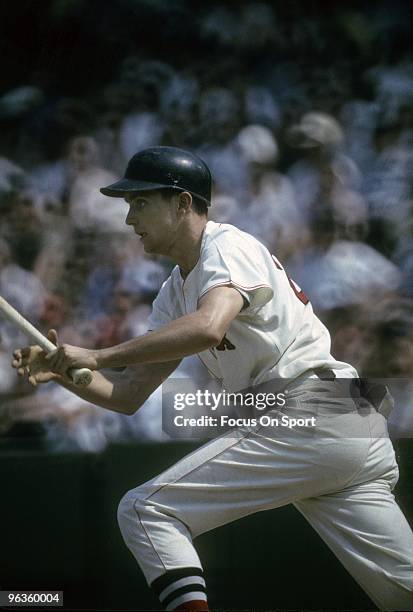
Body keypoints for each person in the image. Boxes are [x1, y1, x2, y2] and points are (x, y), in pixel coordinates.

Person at [12, 146, 413, 611]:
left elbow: (208, 327)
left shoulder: (226, 244)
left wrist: (98, 354)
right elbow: (127, 395)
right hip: (341, 419)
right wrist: (64, 371)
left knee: (147, 511)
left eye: (140, 202)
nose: (128, 219)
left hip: (311, 408)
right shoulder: (173, 291)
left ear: (183, 203)